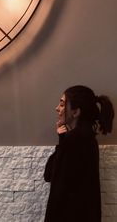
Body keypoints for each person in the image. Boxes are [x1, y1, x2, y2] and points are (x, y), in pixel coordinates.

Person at [44, 85, 114, 222]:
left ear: (75, 112)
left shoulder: (73, 140)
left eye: (62, 104)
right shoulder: (88, 138)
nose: (57, 108)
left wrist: (62, 139)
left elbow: (49, 175)